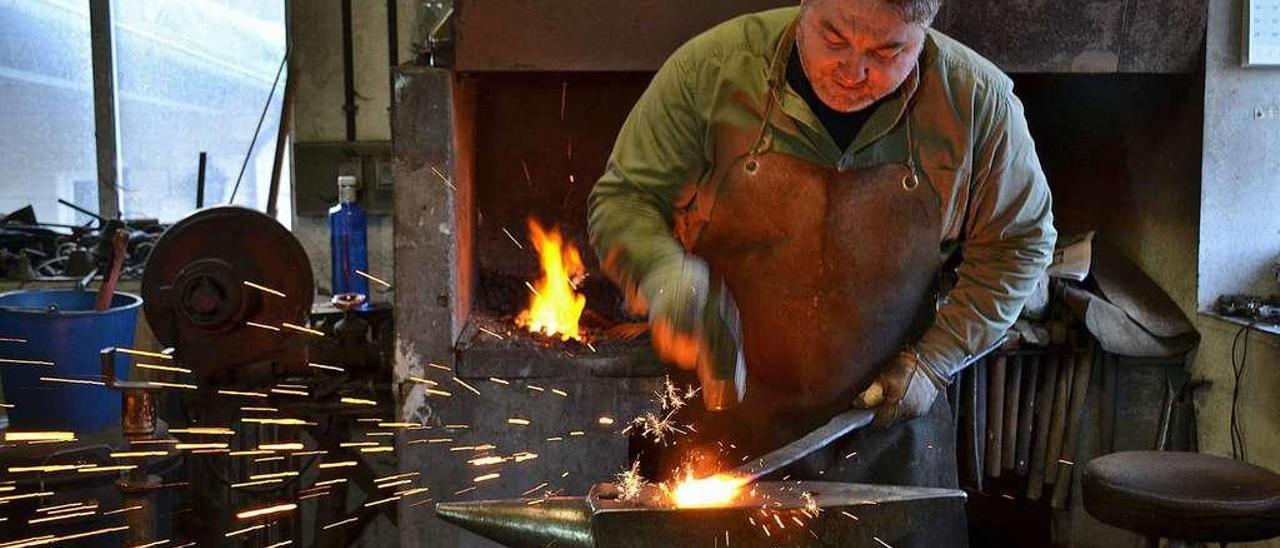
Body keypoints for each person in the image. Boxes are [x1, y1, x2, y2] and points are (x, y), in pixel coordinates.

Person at [588, 0, 1056, 491]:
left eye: (887, 50)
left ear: (924, 32)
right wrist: (666, 275)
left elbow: (1019, 245)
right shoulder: (708, 72)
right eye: (834, 40)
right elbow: (626, 199)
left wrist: (937, 359)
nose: (853, 72)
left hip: (884, 432)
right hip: (716, 434)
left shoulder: (978, 102)